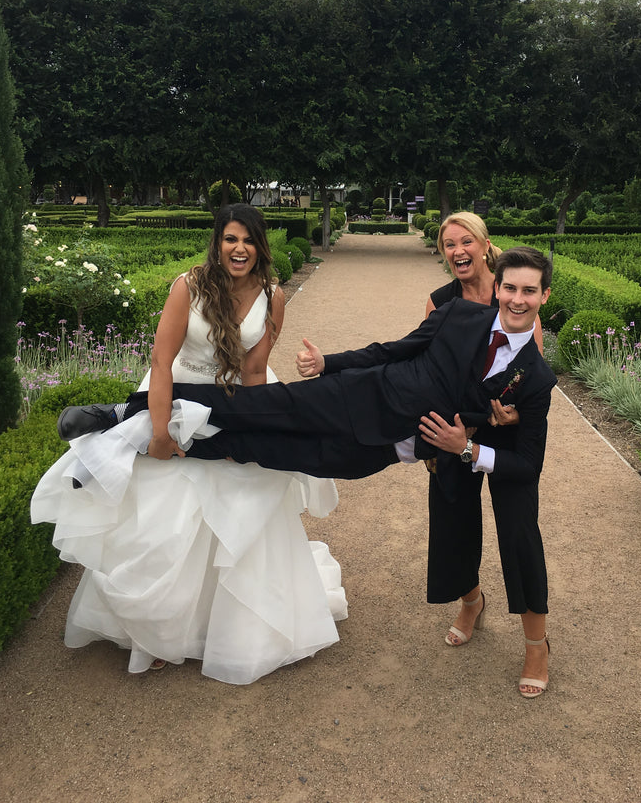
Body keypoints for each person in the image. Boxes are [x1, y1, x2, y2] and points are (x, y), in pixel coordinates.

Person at [59, 245, 557, 696]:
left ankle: (530, 640)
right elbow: (394, 350)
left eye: (529, 291)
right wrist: (329, 364)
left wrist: (466, 447)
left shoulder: (535, 378)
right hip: (359, 395)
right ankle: (125, 418)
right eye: (510, 288)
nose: (517, 299)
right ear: (497, 288)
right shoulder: (459, 314)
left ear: (544, 296)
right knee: (257, 408)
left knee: (261, 450)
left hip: (386, 448)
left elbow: (527, 461)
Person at [32, 204, 347, 684]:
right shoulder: (190, 286)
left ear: (260, 246)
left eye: (248, 240)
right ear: (217, 243)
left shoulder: (273, 296)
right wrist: (160, 433)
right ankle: (158, 632)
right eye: (230, 239)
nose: (239, 249)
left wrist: (255, 434)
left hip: (235, 403)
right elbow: (162, 361)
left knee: (242, 504)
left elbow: (254, 371)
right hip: (175, 397)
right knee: (165, 519)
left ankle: (224, 625)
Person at [424, 213, 544, 664]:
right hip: (458, 429)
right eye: (449, 244)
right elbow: (431, 369)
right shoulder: (441, 302)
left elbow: (532, 368)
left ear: (485, 244)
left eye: (466, 241)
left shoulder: (515, 293)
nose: (458, 251)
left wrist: (515, 414)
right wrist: (437, 437)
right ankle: (471, 600)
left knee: (519, 532)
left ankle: (536, 644)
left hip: (508, 435)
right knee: (453, 522)